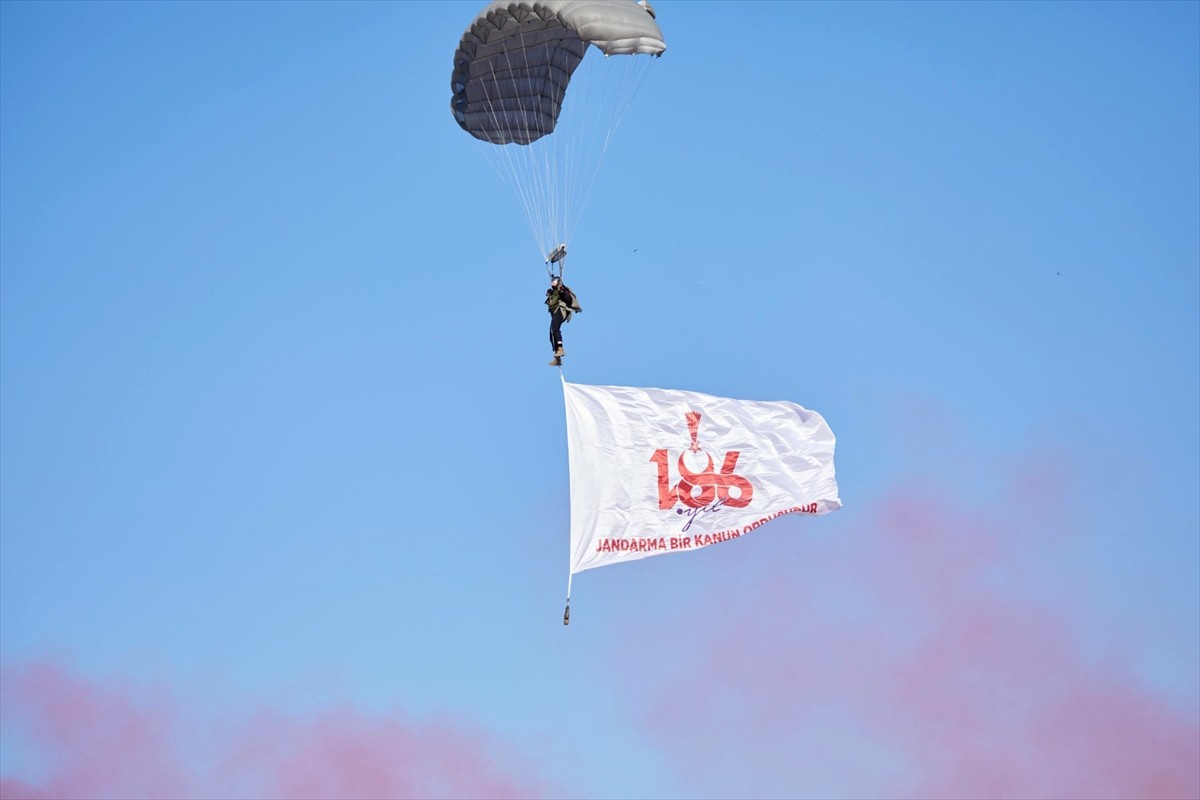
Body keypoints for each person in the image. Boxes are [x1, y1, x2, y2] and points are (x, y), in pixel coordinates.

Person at [545, 275, 582, 366]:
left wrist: (562, 292)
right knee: (552, 332)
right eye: (552, 281)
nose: (552, 282)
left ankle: (560, 349)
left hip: (561, 311)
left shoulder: (563, 289)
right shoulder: (553, 291)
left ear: (558, 281)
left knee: (555, 328)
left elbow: (569, 300)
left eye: (554, 281)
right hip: (555, 313)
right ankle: (557, 358)